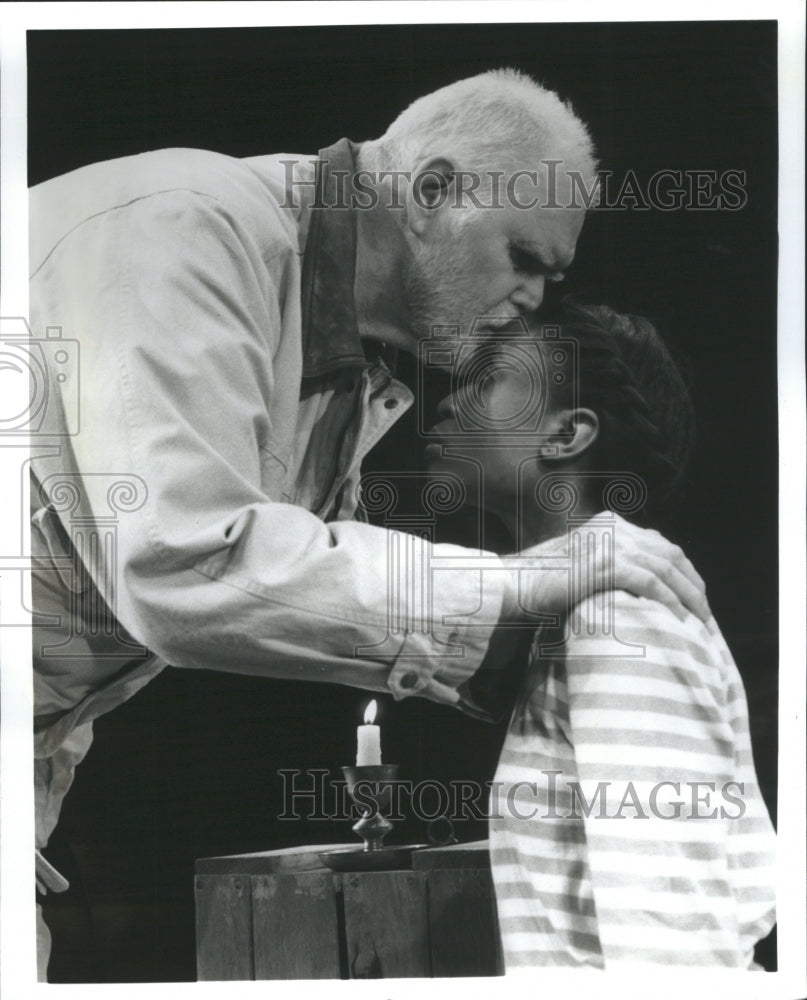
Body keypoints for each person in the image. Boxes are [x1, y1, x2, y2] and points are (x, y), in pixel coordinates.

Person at [28, 70, 709, 978]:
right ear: (432, 191)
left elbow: (281, 590)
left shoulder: (346, 358)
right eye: (523, 255)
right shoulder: (184, 230)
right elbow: (183, 567)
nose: (535, 297)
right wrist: (517, 588)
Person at [423, 301, 776, 969]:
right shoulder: (568, 609)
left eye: (486, 379)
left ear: (565, 434)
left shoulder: (618, 615)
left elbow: (666, 930)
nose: (446, 405)